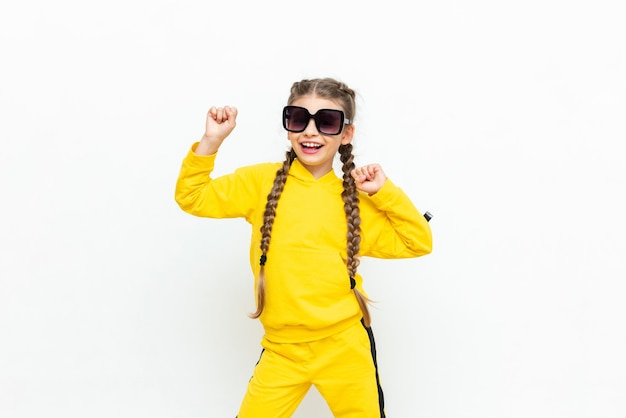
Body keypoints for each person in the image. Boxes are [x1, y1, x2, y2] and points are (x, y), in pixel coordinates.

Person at [175, 77, 432, 417]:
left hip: (345, 347)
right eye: (299, 119)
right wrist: (211, 141)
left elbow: (418, 241)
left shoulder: (354, 201)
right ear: (289, 127)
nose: (311, 131)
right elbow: (192, 197)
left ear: (346, 134)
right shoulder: (260, 183)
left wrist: (385, 193)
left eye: (326, 122)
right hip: (282, 349)